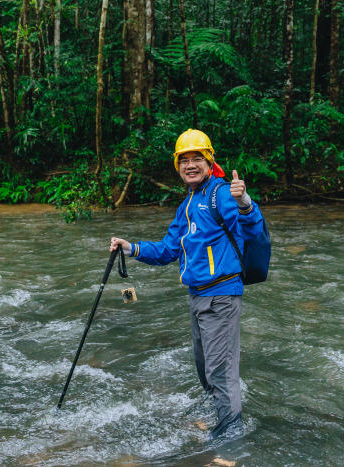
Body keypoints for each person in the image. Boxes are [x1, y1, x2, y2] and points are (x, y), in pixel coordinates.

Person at [110, 128, 265, 438]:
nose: (190, 165)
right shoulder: (186, 205)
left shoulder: (221, 193)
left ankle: (230, 441)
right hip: (198, 298)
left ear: (209, 162)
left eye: (197, 158)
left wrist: (245, 201)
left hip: (221, 295)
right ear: (177, 166)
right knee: (204, 369)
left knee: (219, 373)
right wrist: (131, 248)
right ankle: (220, 419)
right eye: (184, 160)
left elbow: (252, 229)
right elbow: (169, 249)